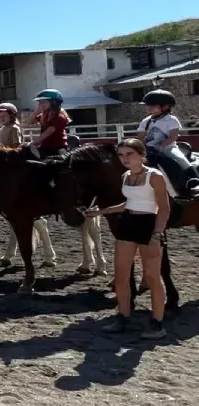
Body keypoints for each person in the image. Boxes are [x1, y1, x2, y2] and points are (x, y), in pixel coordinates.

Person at [84, 139, 169, 340]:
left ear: (141, 154)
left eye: (129, 154)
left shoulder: (154, 176)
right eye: (121, 155)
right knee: (121, 275)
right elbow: (129, 203)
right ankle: (123, 315)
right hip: (128, 224)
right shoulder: (125, 176)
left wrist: (157, 234)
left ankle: (157, 323)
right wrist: (101, 211)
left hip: (149, 225)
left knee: (152, 278)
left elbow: (164, 208)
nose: (124, 159)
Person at [0, 103, 55, 264]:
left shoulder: (14, 128)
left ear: (12, 116)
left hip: (14, 162)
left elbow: (16, 147)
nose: (1, 118)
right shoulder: (2, 130)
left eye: (4, 116)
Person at [137, 89, 199, 198]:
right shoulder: (146, 121)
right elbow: (140, 137)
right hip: (147, 149)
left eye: (153, 105)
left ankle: (194, 181)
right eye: (149, 105)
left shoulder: (171, 120)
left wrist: (159, 146)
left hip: (167, 148)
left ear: (165, 107)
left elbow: (172, 137)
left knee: (181, 160)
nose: (149, 107)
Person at [30, 89, 69, 157]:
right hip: (45, 146)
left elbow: (48, 133)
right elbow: (31, 121)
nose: (40, 104)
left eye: (43, 102)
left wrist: (33, 142)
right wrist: (36, 112)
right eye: (39, 102)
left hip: (57, 147)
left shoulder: (59, 116)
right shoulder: (44, 115)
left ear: (53, 102)